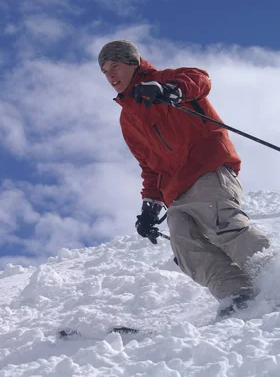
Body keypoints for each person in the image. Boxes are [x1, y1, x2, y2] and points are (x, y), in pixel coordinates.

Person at [98, 40, 270, 318]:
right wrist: (149, 205)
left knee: (225, 227)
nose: (110, 76)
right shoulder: (127, 118)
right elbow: (149, 166)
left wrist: (171, 90)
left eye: (115, 66)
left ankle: (273, 275)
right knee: (186, 246)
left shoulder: (165, 80)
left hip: (206, 168)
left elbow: (201, 79)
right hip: (174, 192)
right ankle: (238, 295)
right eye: (105, 72)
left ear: (133, 63)